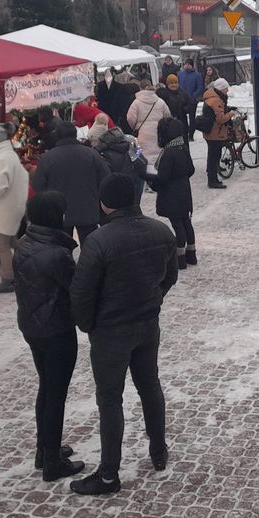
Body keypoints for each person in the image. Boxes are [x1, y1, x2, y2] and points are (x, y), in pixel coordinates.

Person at [70, 174, 178, 496]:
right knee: (150, 385)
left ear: (104, 203)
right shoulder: (162, 231)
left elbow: (82, 293)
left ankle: (107, 474)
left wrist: (89, 324)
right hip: (146, 323)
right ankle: (158, 451)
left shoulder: (99, 241)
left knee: (109, 399)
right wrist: (153, 299)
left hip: (111, 330)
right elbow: (169, 277)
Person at [11, 191, 85, 481]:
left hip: (33, 326)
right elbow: (76, 289)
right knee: (56, 394)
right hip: (56, 329)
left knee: (46, 387)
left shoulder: (25, 243)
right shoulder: (56, 254)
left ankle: (45, 449)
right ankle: (52, 461)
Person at [33, 122, 111, 245]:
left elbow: (38, 185)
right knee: (91, 247)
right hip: (88, 208)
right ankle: (91, 264)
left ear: (57, 136)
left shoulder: (47, 158)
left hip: (59, 211)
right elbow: (106, 179)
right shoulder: (91, 154)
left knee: (61, 248)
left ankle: (65, 264)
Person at [0, 124, 30, 296]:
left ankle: (8, 279)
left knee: (3, 245)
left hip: (4, 208)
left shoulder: (1, 158)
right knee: (12, 243)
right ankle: (21, 273)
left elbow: (0, 185)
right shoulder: (8, 155)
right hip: (12, 206)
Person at [149, 118, 197, 268]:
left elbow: (162, 177)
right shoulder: (182, 147)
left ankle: (180, 258)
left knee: (178, 225)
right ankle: (191, 254)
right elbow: (191, 169)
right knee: (186, 223)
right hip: (184, 191)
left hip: (171, 194)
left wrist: (152, 180)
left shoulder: (168, 152)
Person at [201, 78, 235, 190]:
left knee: (213, 157)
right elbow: (220, 119)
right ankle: (212, 180)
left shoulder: (212, 98)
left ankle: (213, 178)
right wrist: (230, 114)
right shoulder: (216, 100)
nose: (227, 91)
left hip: (212, 132)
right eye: (226, 89)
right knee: (214, 157)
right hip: (215, 133)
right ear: (221, 89)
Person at [128, 80, 172, 164]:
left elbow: (130, 118)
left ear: (140, 89)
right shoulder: (160, 101)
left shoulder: (136, 103)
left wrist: (136, 126)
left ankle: (147, 172)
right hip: (159, 132)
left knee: (144, 154)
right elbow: (168, 116)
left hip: (142, 134)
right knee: (158, 153)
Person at [97, 70, 139, 136]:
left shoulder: (99, 86)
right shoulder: (120, 87)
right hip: (125, 118)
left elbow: (115, 103)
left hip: (106, 112)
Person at [157, 74, 192, 141]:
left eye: (176, 83)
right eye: (171, 83)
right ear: (167, 84)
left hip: (182, 122)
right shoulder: (165, 94)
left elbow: (189, 103)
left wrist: (185, 109)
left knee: (184, 143)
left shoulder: (182, 92)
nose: (174, 85)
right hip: (170, 123)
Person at [178, 60, 204, 139]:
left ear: (192, 66)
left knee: (192, 118)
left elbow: (200, 87)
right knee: (182, 117)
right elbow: (178, 85)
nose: (187, 66)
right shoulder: (180, 74)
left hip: (192, 100)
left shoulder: (197, 75)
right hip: (182, 99)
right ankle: (184, 132)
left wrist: (193, 95)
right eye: (185, 64)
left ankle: (191, 134)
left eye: (188, 64)